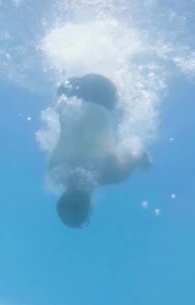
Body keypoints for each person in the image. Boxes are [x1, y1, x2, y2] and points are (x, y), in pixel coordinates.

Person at [47, 73, 151, 228]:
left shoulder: (112, 175)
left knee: (126, 99)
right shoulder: (54, 171)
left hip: (103, 95)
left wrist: (145, 163)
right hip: (67, 94)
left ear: (90, 207)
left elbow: (138, 156)